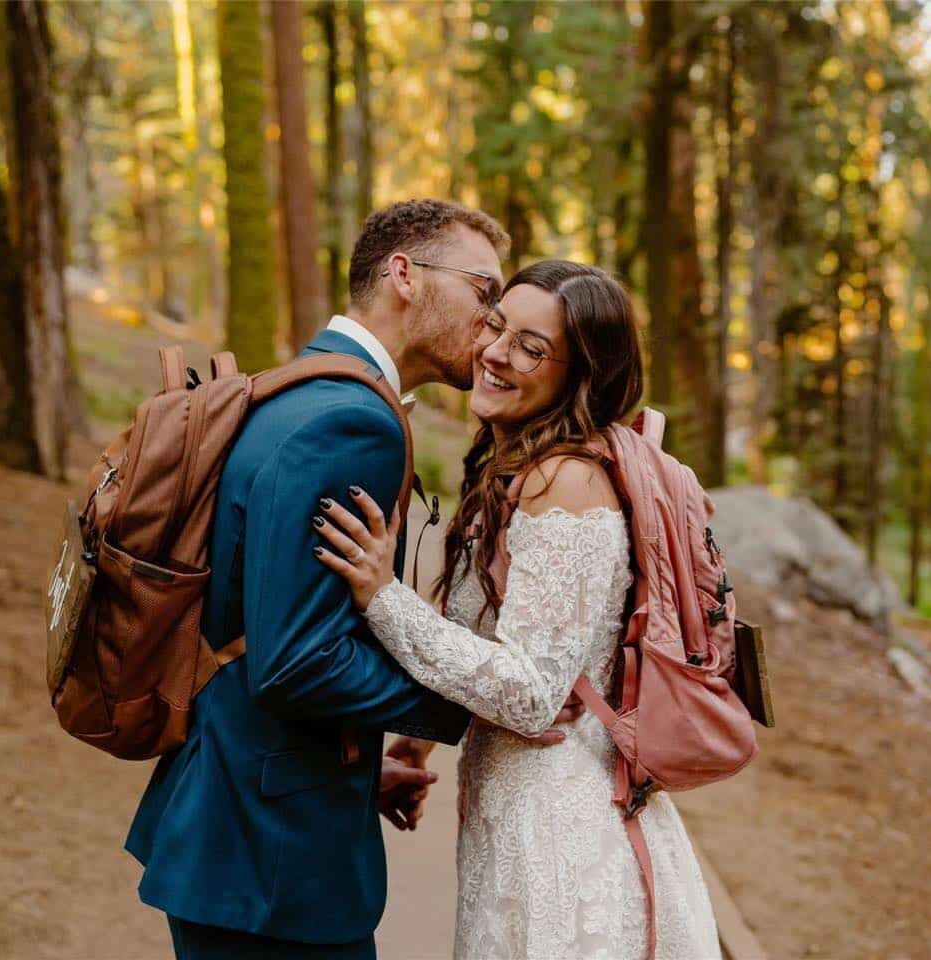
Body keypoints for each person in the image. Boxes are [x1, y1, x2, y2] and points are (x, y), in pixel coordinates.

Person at [125, 200, 575, 960]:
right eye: (484, 291)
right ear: (404, 275)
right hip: (270, 861)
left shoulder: (299, 386)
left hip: (237, 828)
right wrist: (483, 703)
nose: (494, 322)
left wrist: (365, 758)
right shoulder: (350, 422)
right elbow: (299, 662)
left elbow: (274, 620)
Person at [314, 260, 723, 960]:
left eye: (533, 348)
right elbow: (494, 632)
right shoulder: (516, 464)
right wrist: (418, 734)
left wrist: (383, 598)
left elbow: (532, 694)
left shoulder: (564, 483)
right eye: (497, 326)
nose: (496, 354)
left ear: (581, 375)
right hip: (516, 817)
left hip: (563, 838)